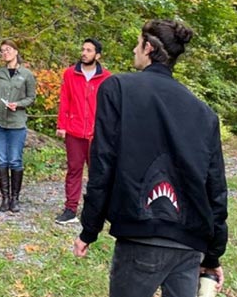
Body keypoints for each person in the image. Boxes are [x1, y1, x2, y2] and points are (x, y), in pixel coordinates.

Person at [73, 20, 228, 297]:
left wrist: (89, 229)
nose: (134, 50)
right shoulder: (204, 113)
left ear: (148, 47)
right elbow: (215, 188)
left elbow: (102, 163)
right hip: (190, 243)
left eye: (137, 43)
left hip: (141, 236)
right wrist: (213, 255)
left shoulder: (117, 88)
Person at [54, 38, 111, 224]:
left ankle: (97, 211)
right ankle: (70, 209)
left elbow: (110, 106)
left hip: (97, 134)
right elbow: (65, 99)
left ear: (98, 55)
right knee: (74, 170)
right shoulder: (70, 73)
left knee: (98, 173)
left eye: (89, 50)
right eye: (83, 49)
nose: (84, 53)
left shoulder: (107, 77)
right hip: (74, 130)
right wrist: (62, 125)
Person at [0, 40, 37, 213]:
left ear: (15, 52)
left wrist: (18, 104)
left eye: (8, 50)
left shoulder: (26, 74)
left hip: (17, 123)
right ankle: (4, 199)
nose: (5, 53)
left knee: (15, 159)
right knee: (1, 159)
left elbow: (31, 97)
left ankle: (15, 199)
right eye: (2, 51)